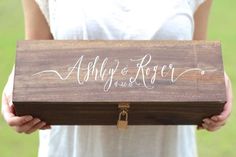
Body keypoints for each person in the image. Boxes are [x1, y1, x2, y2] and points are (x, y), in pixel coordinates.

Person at [1, 0, 233, 157]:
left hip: (164, 148)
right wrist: (17, 85)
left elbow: (196, 59)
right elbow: (36, 57)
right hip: (74, 148)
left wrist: (215, 84)